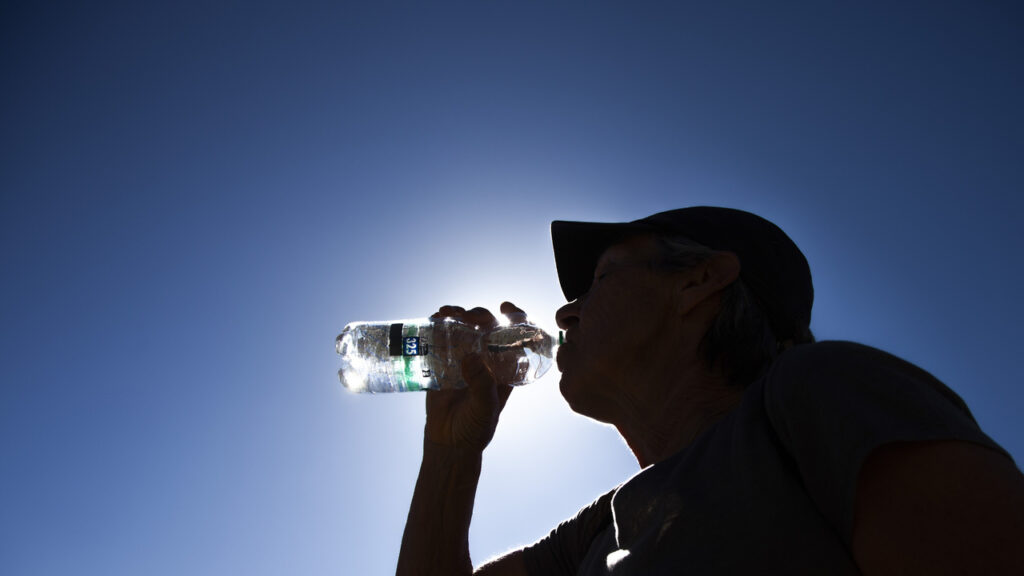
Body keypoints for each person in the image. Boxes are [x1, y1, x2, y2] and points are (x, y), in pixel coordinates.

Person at [395, 207, 1024, 575]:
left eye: (601, 279)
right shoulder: (599, 526)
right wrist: (451, 455)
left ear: (699, 282)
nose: (565, 315)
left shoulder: (819, 391)